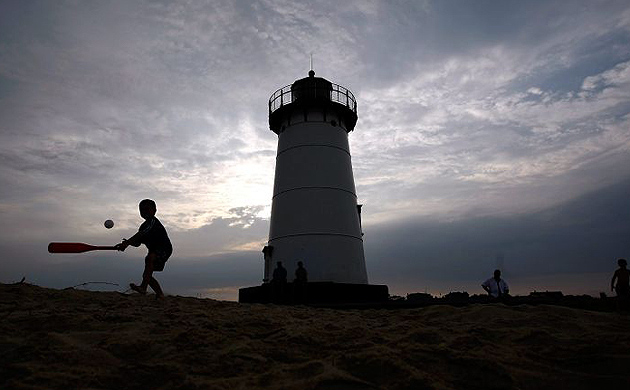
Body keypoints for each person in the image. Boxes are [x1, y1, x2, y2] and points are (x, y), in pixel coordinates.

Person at [115, 199, 173, 299]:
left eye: (147, 209)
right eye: (142, 210)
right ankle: (160, 294)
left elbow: (141, 234)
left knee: (149, 259)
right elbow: (138, 242)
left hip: (164, 249)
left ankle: (143, 287)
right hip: (154, 251)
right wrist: (126, 243)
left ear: (155, 210)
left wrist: (128, 243)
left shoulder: (152, 222)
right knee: (147, 276)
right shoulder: (143, 226)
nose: (144, 212)